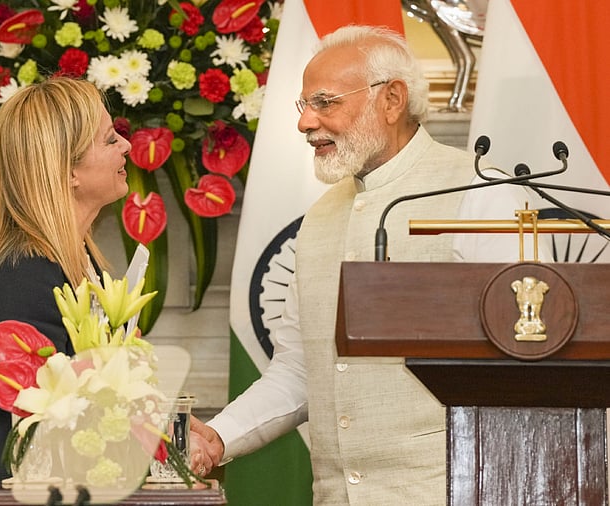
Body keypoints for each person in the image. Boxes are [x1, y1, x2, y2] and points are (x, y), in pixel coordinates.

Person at [188, 25, 546, 504]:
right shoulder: (320, 216)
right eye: (304, 105)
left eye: (325, 102)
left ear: (392, 99)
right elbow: (301, 368)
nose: (305, 123)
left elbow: (525, 375)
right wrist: (219, 436)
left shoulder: (483, 195)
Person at [0, 77, 132, 505]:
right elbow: (43, 425)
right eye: (110, 139)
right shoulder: (25, 275)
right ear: (69, 170)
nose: (127, 147)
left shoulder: (75, 261)